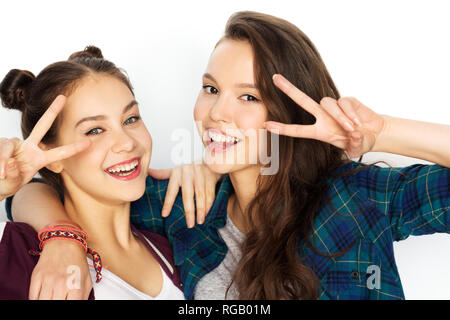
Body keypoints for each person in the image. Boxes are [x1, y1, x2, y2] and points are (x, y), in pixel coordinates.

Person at [4, 11, 450, 300]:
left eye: (249, 97)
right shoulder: (182, 209)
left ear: (290, 114)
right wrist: (61, 236)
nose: (217, 112)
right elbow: (49, 189)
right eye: (212, 89)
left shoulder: (357, 197)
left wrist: (384, 133)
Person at [0, 46, 220, 299]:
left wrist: (211, 170)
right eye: (94, 130)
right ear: (51, 157)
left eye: (131, 119)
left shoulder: (169, 246)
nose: (127, 142)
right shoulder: (19, 251)